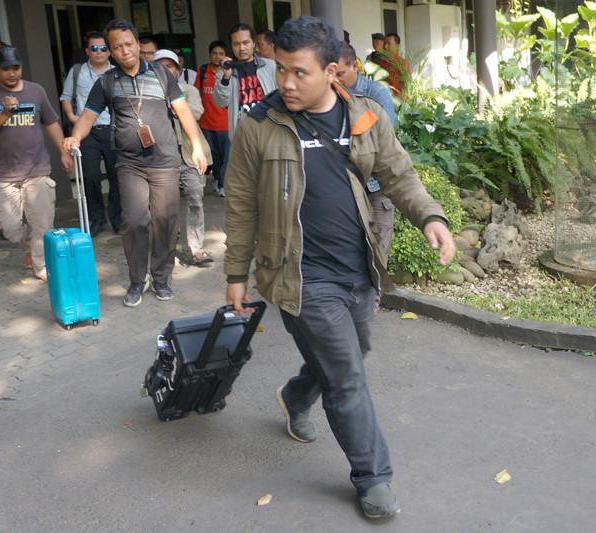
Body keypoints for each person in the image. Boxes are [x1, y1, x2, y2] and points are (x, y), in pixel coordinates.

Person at [223, 16, 455, 519]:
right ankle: (373, 477)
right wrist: (235, 273)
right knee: (347, 377)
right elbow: (240, 204)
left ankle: (295, 394)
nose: (285, 82)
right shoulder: (258, 127)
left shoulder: (366, 114)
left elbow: (399, 174)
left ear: (332, 71)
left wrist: (431, 217)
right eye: (280, 70)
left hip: (359, 268)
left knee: (356, 351)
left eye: (299, 72)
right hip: (300, 277)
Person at [63, 19, 207, 307]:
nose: (124, 50)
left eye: (129, 44)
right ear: (111, 51)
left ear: (138, 45)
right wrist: (74, 138)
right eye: (116, 46)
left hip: (165, 161)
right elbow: (87, 117)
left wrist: (197, 147)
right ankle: (137, 279)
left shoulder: (161, 74)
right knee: (134, 222)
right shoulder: (105, 82)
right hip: (129, 164)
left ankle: (161, 277)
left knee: (165, 223)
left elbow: (183, 112)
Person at [0, 45, 73, 282]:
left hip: (37, 169)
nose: (11, 73)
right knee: (9, 227)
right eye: (5, 69)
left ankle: (42, 266)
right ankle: (27, 246)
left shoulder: (36, 91)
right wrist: (5, 113)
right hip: (4, 174)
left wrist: (63, 152)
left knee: (42, 224)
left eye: (15, 67)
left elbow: (51, 122)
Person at [336, 42, 395, 308]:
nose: (335, 80)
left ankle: (375, 295)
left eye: (340, 74)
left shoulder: (375, 93)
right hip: (345, 182)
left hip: (376, 182)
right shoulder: (328, 97)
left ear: (354, 66)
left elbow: (383, 138)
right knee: (350, 240)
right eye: (330, 73)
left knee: (379, 242)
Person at [154, 49, 214, 266]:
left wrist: (173, 100)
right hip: (161, 157)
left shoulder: (188, 90)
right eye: (159, 66)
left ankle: (197, 249)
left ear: (177, 69)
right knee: (164, 206)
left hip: (190, 155)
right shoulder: (149, 94)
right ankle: (169, 246)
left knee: (196, 199)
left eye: (170, 66)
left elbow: (196, 114)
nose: (165, 70)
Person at [60, 32, 121, 236]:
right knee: (90, 176)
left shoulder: (116, 72)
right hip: (88, 132)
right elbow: (66, 97)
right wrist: (72, 117)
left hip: (113, 129)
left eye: (103, 48)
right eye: (94, 48)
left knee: (117, 175)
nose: (99, 52)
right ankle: (97, 218)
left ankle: (118, 218)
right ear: (87, 51)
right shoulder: (77, 72)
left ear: (110, 51)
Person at [213, 23, 277, 141]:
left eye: (245, 43)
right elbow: (220, 102)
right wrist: (226, 78)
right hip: (242, 136)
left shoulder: (270, 66)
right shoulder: (223, 73)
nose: (241, 48)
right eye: (236, 44)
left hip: (270, 132)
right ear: (231, 46)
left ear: (253, 43)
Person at [195, 40, 230, 197]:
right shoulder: (202, 71)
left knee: (226, 155)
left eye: (221, 54)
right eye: (215, 53)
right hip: (206, 122)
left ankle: (223, 184)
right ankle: (216, 178)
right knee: (213, 154)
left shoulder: (229, 72)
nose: (217, 57)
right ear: (210, 55)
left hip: (225, 122)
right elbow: (196, 94)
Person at [380, 33, 411, 100]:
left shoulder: (402, 64)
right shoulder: (381, 62)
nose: (385, 46)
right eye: (384, 43)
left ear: (397, 46)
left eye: (389, 44)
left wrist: (396, 102)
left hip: (396, 102)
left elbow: (407, 88)